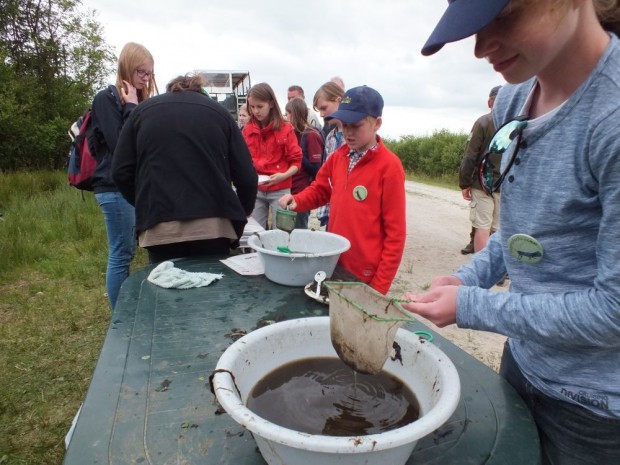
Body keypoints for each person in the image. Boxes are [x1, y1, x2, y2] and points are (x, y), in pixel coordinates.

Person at [403, 1, 620, 464]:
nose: (482, 48)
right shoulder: (512, 98)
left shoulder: (611, 119)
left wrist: (471, 306)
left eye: (503, 18)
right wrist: (470, 278)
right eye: (475, 27)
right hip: (521, 365)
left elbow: (613, 312)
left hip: (595, 411)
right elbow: (523, 229)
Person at [112, 74, 258, 264]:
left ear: (170, 89)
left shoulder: (142, 112)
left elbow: (120, 171)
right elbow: (247, 176)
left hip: (160, 225)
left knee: (167, 289)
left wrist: (146, 202)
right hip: (213, 225)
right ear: (199, 90)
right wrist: (243, 210)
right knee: (214, 290)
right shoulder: (220, 113)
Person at [279, 86, 406, 295]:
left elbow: (396, 235)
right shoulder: (339, 156)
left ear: (377, 123)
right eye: (344, 125)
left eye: (356, 125)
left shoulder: (389, 167)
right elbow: (321, 189)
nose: (347, 132)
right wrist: (297, 200)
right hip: (333, 261)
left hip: (364, 275)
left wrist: (378, 288)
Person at [91, 42, 158, 309]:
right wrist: (131, 106)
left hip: (133, 187)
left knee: (133, 249)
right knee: (122, 253)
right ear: (127, 68)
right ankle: (122, 315)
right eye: (141, 72)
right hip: (112, 186)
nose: (146, 78)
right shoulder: (106, 99)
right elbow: (122, 146)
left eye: (150, 73)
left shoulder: (141, 100)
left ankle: (132, 308)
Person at [243, 82, 302, 229]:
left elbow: (296, 162)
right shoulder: (248, 129)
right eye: (252, 107)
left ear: (270, 103)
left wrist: (283, 175)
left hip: (280, 188)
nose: (256, 111)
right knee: (255, 231)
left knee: (281, 233)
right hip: (256, 188)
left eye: (260, 106)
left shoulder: (286, 128)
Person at [459, 85, 501, 255]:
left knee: (482, 224)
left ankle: (482, 265)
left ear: (490, 102)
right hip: (505, 184)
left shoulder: (483, 122)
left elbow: (470, 155)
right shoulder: (516, 124)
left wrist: (465, 182)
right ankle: (496, 265)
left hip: (482, 182)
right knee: (497, 227)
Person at [284, 97, 325, 229]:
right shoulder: (290, 134)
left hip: (302, 191)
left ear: (294, 114)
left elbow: (317, 168)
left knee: (298, 231)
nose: (285, 117)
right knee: (286, 230)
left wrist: (298, 155)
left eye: (287, 114)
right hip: (288, 189)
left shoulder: (311, 135)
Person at [312, 81, 346, 227]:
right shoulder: (331, 136)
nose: (321, 114)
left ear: (338, 100)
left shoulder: (355, 138)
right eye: (319, 110)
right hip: (330, 211)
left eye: (324, 108)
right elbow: (325, 176)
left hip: (346, 211)